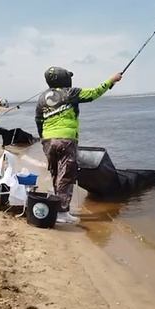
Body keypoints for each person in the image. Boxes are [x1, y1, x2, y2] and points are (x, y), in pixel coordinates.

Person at [35, 66, 122, 224]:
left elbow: (38, 120)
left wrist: (43, 138)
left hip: (48, 141)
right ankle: (62, 212)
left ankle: (57, 207)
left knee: (55, 174)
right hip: (66, 140)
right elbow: (93, 93)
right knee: (66, 176)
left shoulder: (42, 98)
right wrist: (112, 80)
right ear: (64, 79)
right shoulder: (71, 92)